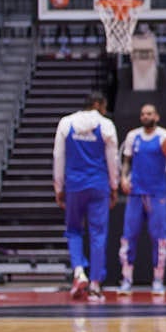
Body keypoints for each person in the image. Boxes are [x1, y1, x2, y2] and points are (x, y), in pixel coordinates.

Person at [53, 91, 119, 301]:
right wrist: (114, 186)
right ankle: (96, 284)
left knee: (73, 230)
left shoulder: (66, 123)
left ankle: (79, 271)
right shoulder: (106, 125)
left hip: (74, 185)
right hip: (98, 185)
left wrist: (58, 187)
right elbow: (113, 158)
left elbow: (58, 156)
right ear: (98, 104)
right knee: (98, 233)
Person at [119, 104, 166, 294]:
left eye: (149, 113)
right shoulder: (133, 136)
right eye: (143, 114)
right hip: (136, 192)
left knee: (159, 238)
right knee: (128, 238)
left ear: (157, 116)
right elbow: (126, 161)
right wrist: (123, 177)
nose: (145, 116)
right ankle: (127, 279)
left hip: (156, 193)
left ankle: (158, 280)